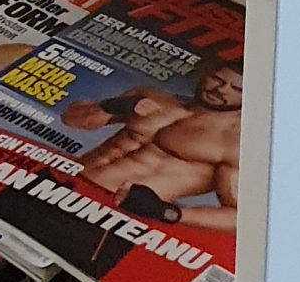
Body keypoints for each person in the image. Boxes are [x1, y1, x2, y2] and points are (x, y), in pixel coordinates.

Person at [58, 64, 243, 232]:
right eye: (217, 79)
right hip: (62, 182)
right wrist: (113, 106)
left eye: (237, 89)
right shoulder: (152, 97)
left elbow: (238, 218)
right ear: (204, 74)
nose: (221, 89)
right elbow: (71, 119)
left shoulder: (234, 143)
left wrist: (165, 212)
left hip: (115, 214)